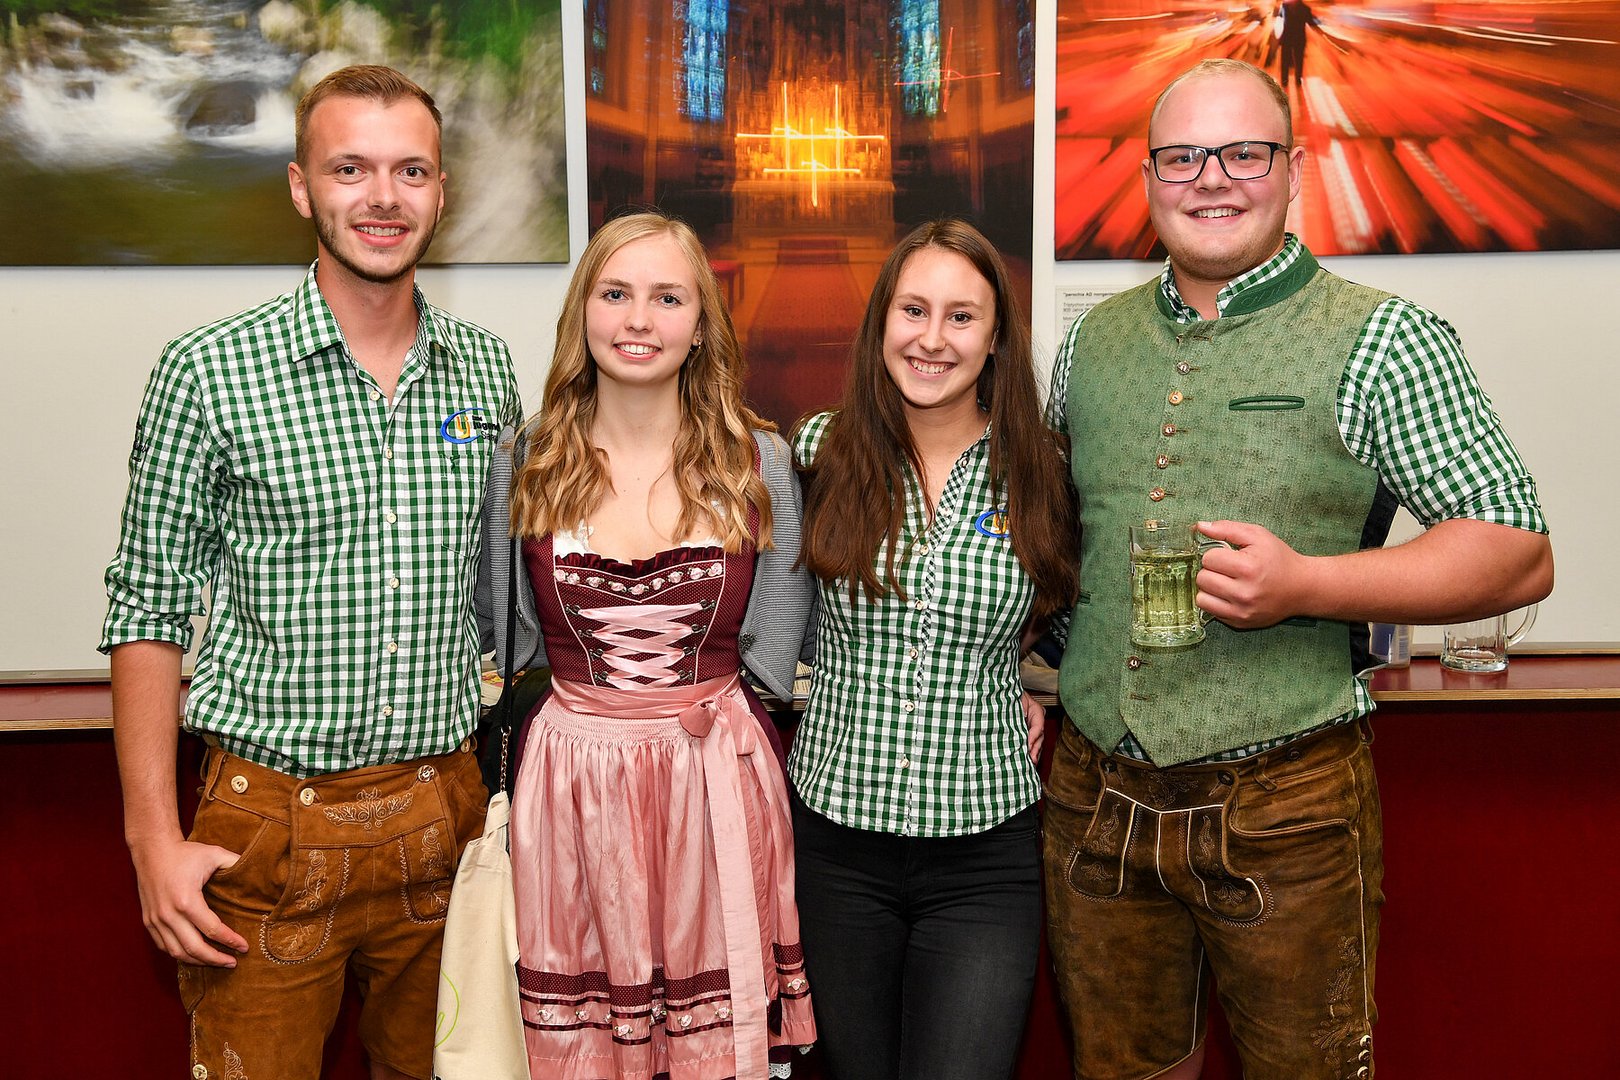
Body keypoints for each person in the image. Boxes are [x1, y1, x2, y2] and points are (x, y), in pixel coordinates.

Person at [1043, 59, 1552, 1080]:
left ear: (1294, 171)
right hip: (1093, 794)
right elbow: (1062, 532)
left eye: (1244, 153)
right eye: (1182, 157)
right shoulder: (1090, 341)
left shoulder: (1384, 338)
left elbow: (1516, 547)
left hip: (1287, 805)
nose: (1211, 178)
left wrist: (1307, 587)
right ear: (1149, 179)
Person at [99, 65, 519, 1080]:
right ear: (301, 187)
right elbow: (147, 604)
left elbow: (505, 590)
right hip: (268, 828)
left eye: (410, 170)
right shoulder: (207, 371)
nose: (383, 197)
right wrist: (152, 842)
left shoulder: (488, 371)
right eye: (350, 168)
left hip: (445, 815)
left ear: (441, 192)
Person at [478, 210, 817, 1079]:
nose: (639, 320)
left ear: (701, 324)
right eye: (615, 294)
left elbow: (783, 645)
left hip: (715, 781)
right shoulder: (526, 457)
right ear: (582, 313)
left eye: (668, 298)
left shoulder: (758, 462)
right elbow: (503, 628)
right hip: (572, 787)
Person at [789, 218, 1078, 1080]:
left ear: (995, 339)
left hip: (984, 852)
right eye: (913, 310)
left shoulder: (1043, 470)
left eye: (962, 316)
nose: (932, 338)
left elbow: (1073, 604)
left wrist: (1026, 679)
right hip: (837, 843)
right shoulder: (818, 451)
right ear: (882, 322)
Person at [1278, 0, 1321, 89]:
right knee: (1299, 60)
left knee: (1285, 60)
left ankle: (1284, 81)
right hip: (1299, 38)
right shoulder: (1305, 8)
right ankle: (1298, 80)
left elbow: (1280, 17)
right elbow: (1311, 22)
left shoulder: (1284, 6)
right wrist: (1319, 23)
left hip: (1287, 37)